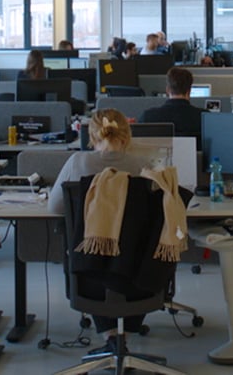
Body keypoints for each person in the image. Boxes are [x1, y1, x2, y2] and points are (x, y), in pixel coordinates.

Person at [46, 109, 157, 351]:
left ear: (92, 136)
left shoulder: (77, 163)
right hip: (137, 275)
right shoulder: (143, 167)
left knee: (94, 254)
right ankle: (125, 330)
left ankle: (110, 335)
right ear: (127, 136)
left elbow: (55, 207)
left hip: (89, 273)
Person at [139, 67, 205, 148]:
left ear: (167, 90)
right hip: (195, 160)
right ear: (189, 91)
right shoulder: (204, 118)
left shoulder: (148, 117)